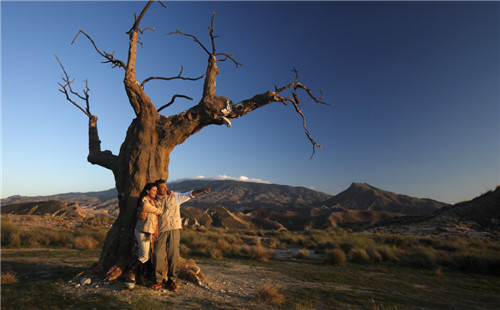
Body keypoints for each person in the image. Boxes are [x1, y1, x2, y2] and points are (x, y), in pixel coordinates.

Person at [152, 179, 211, 291]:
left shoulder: (175, 196)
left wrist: (202, 190)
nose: (166, 189)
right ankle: (158, 279)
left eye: (166, 187)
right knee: (158, 254)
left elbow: (190, 193)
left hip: (174, 229)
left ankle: (171, 279)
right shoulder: (154, 200)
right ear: (158, 190)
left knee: (173, 254)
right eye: (162, 188)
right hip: (161, 230)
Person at [123, 183, 162, 283]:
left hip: (148, 232)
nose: (155, 192)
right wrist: (158, 210)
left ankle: (140, 276)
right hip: (142, 231)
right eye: (153, 190)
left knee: (143, 255)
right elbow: (159, 211)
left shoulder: (152, 201)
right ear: (147, 191)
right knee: (145, 256)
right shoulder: (145, 202)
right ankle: (129, 272)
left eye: (156, 191)